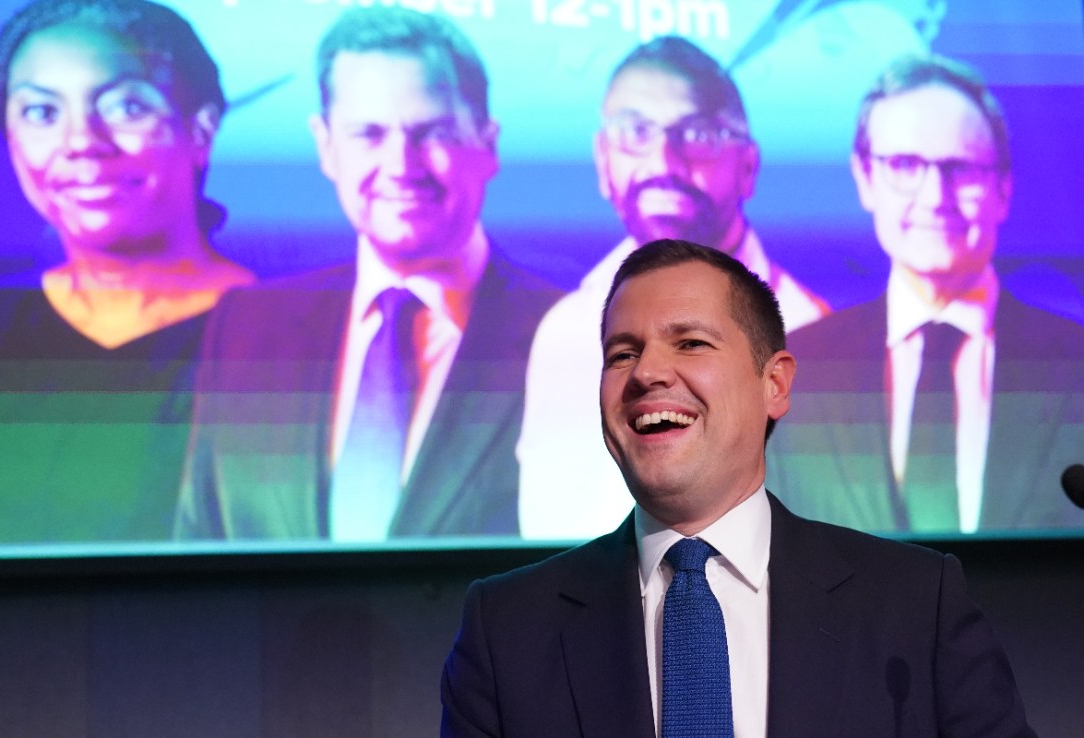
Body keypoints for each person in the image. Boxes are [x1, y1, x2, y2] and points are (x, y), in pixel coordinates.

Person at [441, 238, 1035, 737]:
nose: (647, 372)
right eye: (623, 353)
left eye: (690, 343)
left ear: (774, 383)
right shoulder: (508, 630)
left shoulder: (914, 606)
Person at [175, 7, 558, 541]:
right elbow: (197, 557)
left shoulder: (571, 334)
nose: (402, 164)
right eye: (368, 134)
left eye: (433, 132)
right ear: (326, 146)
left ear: (487, 144)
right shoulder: (245, 327)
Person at [518, 36, 829, 540]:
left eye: (699, 134)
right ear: (603, 160)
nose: (664, 160)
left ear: (748, 165)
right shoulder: (564, 332)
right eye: (635, 131)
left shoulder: (814, 329)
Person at [767, 54, 1084, 534]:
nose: (936, 196)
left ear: (1003, 187)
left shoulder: (1075, 364)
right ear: (865, 178)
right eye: (904, 164)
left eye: (962, 168)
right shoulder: (798, 371)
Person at [0, 0, 253, 544]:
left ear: (200, 130)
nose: (82, 143)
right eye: (41, 113)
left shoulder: (287, 333)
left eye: (125, 107)